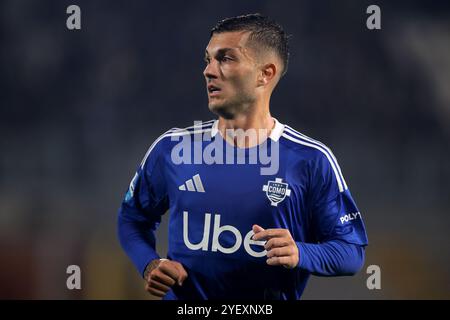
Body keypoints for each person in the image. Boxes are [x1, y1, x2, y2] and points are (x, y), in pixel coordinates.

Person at [118, 13, 368, 300]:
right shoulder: (172, 149)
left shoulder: (310, 160)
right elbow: (132, 218)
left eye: (225, 58)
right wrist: (150, 263)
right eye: (208, 60)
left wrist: (302, 252)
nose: (209, 71)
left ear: (266, 73)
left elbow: (351, 252)